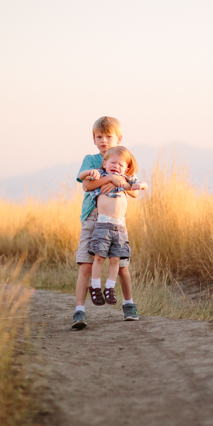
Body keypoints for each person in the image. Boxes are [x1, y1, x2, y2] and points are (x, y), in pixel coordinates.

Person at [72, 117, 138, 330]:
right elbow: (86, 185)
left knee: (121, 266)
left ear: (119, 138)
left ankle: (128, 304)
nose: (104, 140)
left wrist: (122, 181)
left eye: (109, 136)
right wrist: (110, 179)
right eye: (99, 136)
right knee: (86, 264)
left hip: (115, 221)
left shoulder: (122, 159)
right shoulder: (91, 160)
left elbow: (135, 191)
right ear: (93, 139)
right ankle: (79, 310)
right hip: (92, 218)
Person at [78, 146, 147, 309]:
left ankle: (109, 287)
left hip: (120, 227)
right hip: (102, 224)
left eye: (121, 164)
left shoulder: (126, 179)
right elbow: (83, 180)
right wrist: (90, 172)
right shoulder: (101, 174)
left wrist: (139, 185)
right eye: (113, 163)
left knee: (116, 259)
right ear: (104, 163)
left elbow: (141, 186)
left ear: (126, 168)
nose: (116, 166)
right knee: (99, 257)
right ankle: (95, 287)